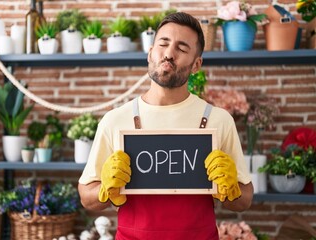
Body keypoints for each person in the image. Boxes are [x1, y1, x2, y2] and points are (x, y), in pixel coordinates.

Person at [78, 12, 253, 239]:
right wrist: (104, 191)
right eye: (163, 44)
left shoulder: (218, 120)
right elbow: (86, 196)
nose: (169, 53)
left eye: (181, 48)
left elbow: (245, 199)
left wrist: (232, 191)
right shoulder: (115, 120)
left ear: (196, 64)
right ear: (151, 53)